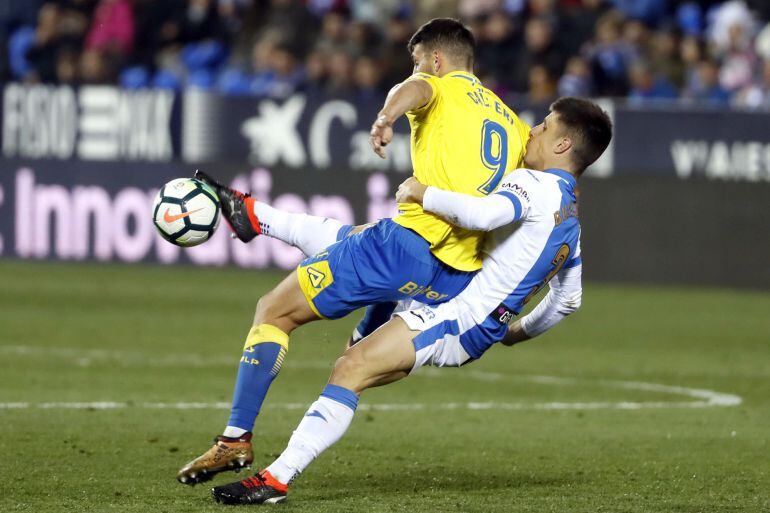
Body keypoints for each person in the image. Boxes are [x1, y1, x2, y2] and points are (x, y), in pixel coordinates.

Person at [176, 18, 531, 485]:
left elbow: (414, 90)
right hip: (453, 276)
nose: (416, 68)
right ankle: (256, 217)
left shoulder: (438, 86)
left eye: (419, 60)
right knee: (355, 240)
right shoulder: (513, 122)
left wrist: (385, 117)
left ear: (437, 61)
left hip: (406, 247)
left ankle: (234, 441)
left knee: (273, 311)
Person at [209, 97, 613, 505]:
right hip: (469, 321)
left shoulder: (532, 184)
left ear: (563, 145)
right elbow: (567, 300)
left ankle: (275, 480)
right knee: (363, 243)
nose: (533, 130)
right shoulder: (571, 222)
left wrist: (424, 192)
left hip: (455, 320)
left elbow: (484, 216)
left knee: (352, 366)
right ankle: (259, 218)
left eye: (545, 126)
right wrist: (512, 333)